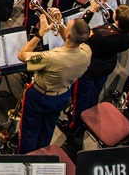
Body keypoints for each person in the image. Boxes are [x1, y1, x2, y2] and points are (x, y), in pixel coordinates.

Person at [15, 11, 92, 154]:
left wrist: (41, 33)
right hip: (62, 95)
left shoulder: (51, 57)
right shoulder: (86, 51)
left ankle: (25, 158)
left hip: (39, 97)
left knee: (29, 131)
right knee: (47, 129)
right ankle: (41, 153)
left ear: (68, 35)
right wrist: (59, 22)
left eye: (66, 26)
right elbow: (71, 41)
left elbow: (22, 55)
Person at [65, 0, 129, 137]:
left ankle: (74, 126)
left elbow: (80, 31)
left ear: (116, 20)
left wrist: (92, 9)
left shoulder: (101, 34)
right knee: (94, 93)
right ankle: (88, 116)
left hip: (90, 67)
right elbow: (117, 24)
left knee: (80, 96)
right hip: (107, 65)